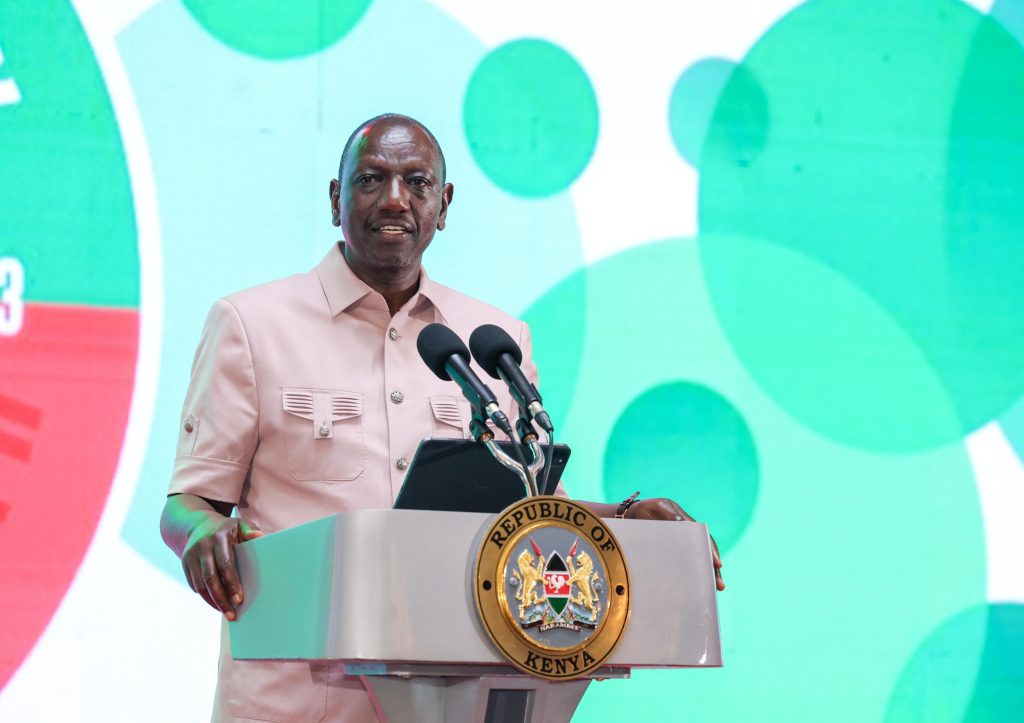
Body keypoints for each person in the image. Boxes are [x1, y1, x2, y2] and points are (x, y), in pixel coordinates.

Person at [160, 113, 724, 722]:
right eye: (371, 179)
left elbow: (533, 512)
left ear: (444, 204)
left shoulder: (495, 340)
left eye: (417, 182)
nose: (394, 199)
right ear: (335, 198)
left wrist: (629, 519)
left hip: (452, 698)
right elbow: (187, 504)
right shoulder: (251, 325)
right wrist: (201, 531)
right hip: (296, 700)